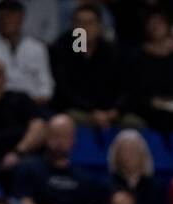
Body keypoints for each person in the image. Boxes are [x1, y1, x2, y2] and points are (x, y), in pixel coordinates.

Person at [11, 113, 102, 204]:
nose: (60, 141)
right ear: (47, 137)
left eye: (65, 136)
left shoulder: (83, 176)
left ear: (73, 140)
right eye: (56, 135)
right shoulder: (30, 168)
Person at [49, 2, 124, 130]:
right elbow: (64, 90)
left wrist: (112, 111)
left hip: (107, 111)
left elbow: (122, 86)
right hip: (74, 109)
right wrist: (92, 111)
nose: (84, 28)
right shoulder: (61, 49)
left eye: (89, 23)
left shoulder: (111, 51)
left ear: (99, 26)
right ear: (73, 26)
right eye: (79, 23)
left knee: (131, 122)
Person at [0, 0, 54, 104]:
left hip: (33, 105)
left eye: (10, 17)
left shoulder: (37, 48)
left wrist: (27, 104)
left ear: (21, 18)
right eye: (1, 17)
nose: (5, 21)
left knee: (60, 120)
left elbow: (46, 87)